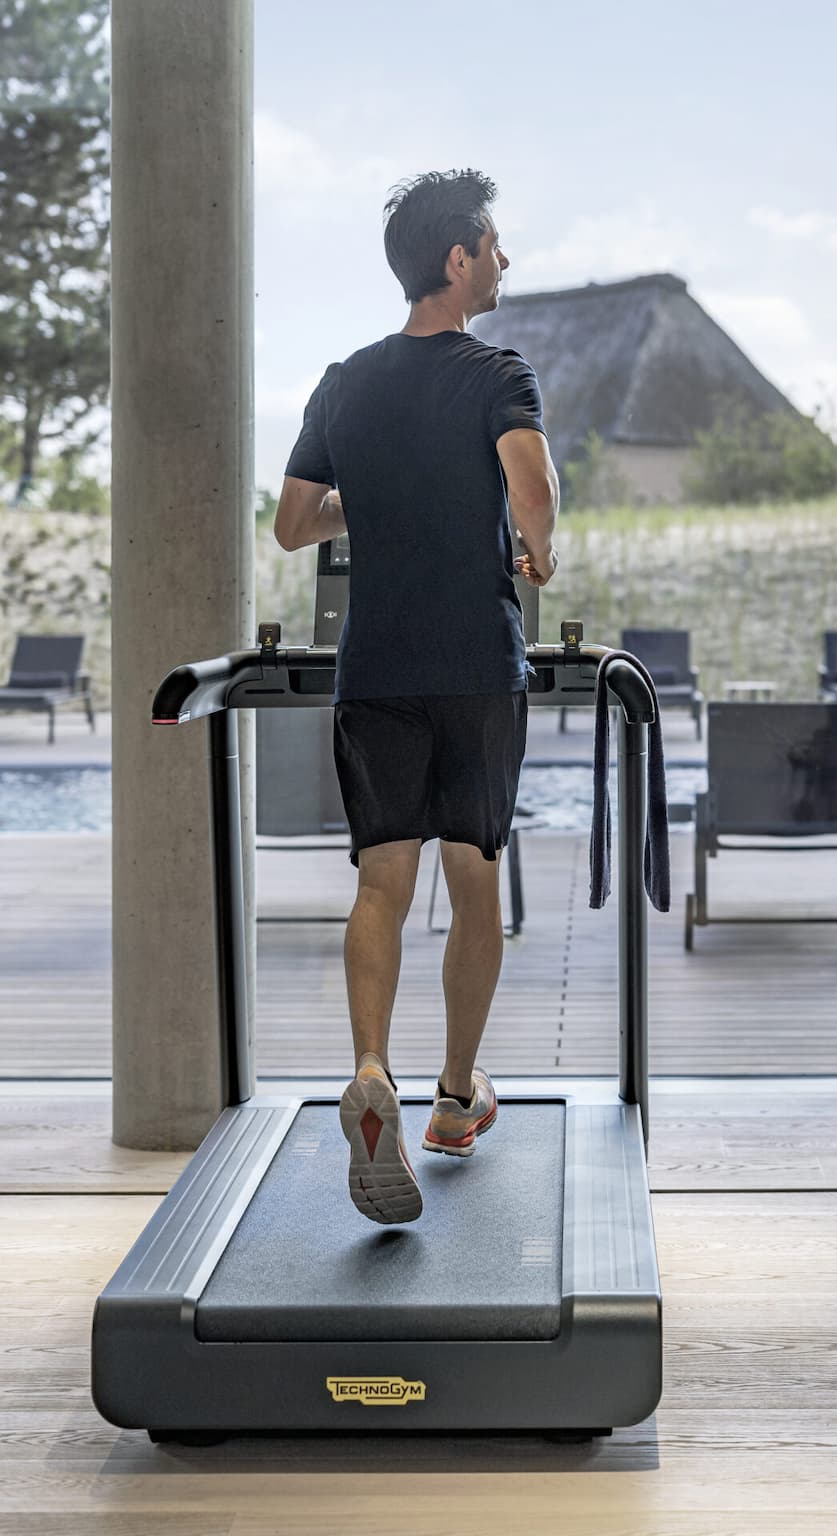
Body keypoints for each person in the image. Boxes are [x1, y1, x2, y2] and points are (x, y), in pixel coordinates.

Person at [273, 168, 559, 1223]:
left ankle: (369, 1070)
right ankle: (449, 1101)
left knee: (380, 884)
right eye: (493, 244)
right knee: (473, 880)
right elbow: (529, 488)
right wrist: (539, 550)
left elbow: (295, 523)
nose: (503, 261)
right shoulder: (498, 372)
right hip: (473, 665)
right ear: (457, 258)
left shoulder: (344, 379)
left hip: (376, 667)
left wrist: (382, 502)